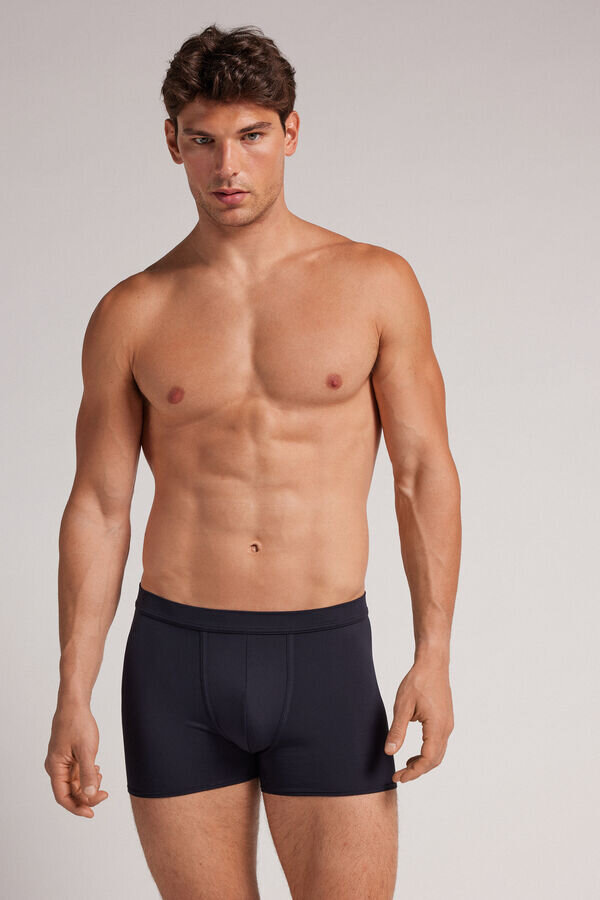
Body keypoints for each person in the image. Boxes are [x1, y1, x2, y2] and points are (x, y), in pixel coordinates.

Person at [44, 23, 460, 900]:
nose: (227, 166)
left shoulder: (375, 283)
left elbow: (423, 472)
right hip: (176, 663)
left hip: (325, 656)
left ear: (291, 132)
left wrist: (434, 653)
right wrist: (72, 691)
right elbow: (100, 507)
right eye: (203, 140)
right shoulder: (132, 312)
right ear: (173, 143)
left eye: (251, 135)